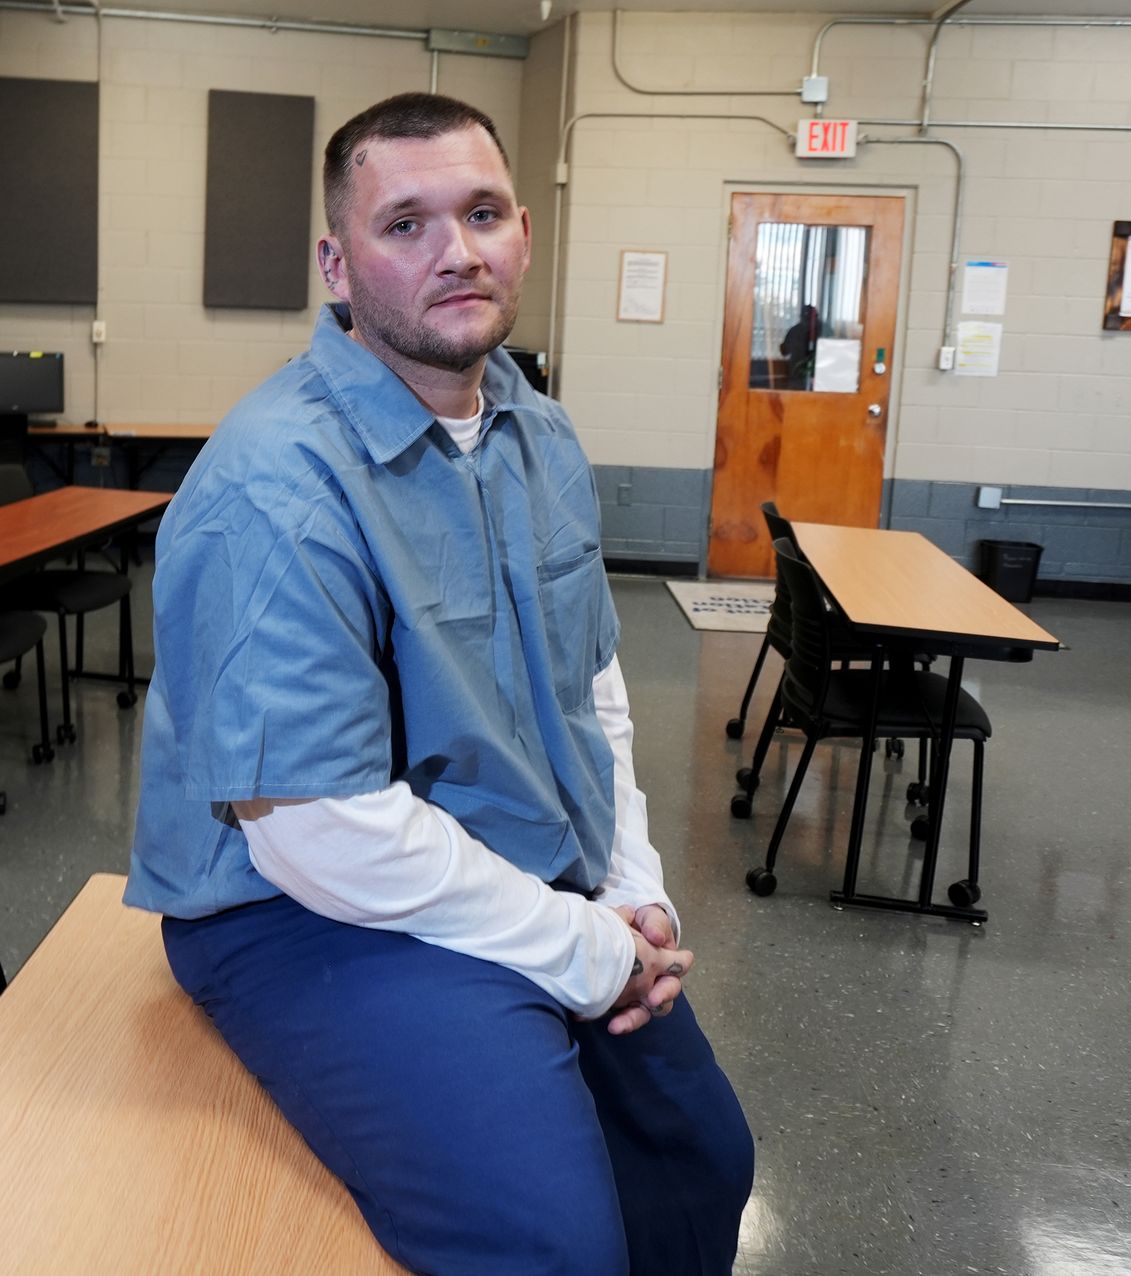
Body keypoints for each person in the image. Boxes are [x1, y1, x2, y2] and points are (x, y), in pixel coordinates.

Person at [126, 92, 754, 1275]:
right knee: (549, 1241)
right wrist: (580, 949)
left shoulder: (538, 434)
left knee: (699, 1158)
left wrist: (631, 888)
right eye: (404, 223)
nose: (455, 251)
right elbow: (314, 829)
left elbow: (592, 689)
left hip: (509, 859)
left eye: (480, 213)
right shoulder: (275, 482)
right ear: (336, 263)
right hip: (296, 905)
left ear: (523, 232)